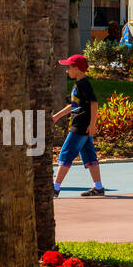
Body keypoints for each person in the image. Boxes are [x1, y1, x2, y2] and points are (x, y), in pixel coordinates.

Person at [51, 55, 105, 197]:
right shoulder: (78, 85)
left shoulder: (84, 85)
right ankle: (98, 188)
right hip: (81, 126)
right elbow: (73, 105)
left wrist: (92, 125)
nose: (67, 70)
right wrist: (57, 116)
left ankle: (55, 188)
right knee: (89, 156)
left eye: (69, 67)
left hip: (81, 126)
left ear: (77, 69)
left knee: (66, 153)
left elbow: (94, 103)